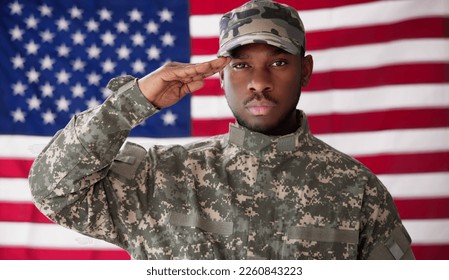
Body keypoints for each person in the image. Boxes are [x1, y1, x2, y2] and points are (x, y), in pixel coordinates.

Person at [28, 0, 415, 260]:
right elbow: (53, 190)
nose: (258, 82)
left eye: (279, 63)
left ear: (306, 70)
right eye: (241, 65)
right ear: (221, 75)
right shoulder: (159, 177)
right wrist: (133, 102)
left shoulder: (356, 189)